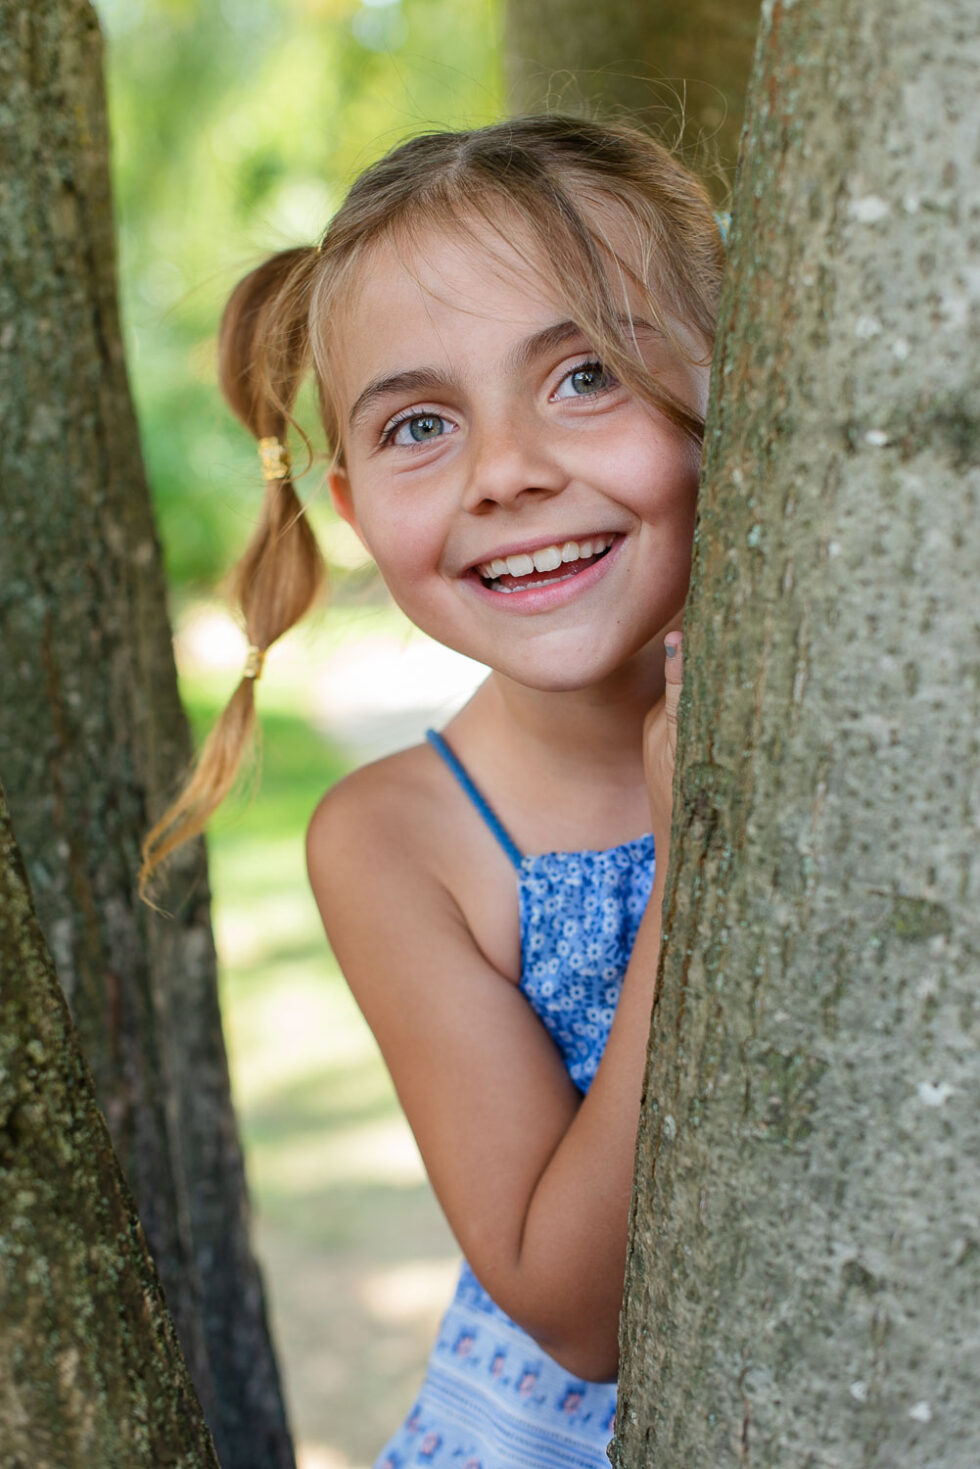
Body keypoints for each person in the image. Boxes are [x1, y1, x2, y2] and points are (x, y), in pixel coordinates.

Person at [141, 114, 726, 1469]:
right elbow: (576, 1310)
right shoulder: (401, 841)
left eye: (586, 374)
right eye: (420, 423)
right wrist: (698, 863)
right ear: (352, 507)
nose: (505, 471)